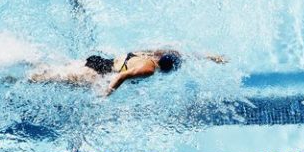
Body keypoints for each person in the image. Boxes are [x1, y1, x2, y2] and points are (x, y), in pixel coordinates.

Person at [26, 49, 226, 96]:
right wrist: (106, 94)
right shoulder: (149, 69)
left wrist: (210, 57)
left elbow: (183, 54)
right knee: (48, 78)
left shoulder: (152, 54)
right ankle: (16, 78)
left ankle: (25, 59)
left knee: (56, 70)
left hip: (97, 60)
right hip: (96, 74)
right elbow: (122, 76)